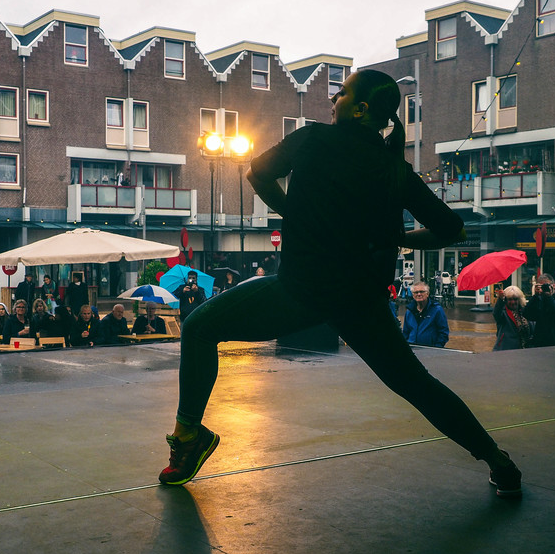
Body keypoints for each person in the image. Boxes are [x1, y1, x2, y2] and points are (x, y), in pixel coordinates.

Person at [157, 69, 521, 497]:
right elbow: (452, 230)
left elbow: (258, 173)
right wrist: (398, 237)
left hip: (299, 291)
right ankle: (498, 460)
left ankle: (188, 439)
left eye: (342, 93)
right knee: (417, 385)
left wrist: (295, 213)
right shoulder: (393, 169)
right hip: (361, 304)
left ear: (361, 108)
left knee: (200, 328)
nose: (334, 98)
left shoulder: (312, 140)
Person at [524, 273, 555, 348]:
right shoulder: (538, 299)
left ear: (553, 285)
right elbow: (527, 314)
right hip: (540, 342)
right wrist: (535, 296)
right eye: (541, 286)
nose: (543, 289)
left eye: (545, 286)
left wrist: (549, 298)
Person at [402, 281, 449, 348]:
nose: (419, 294)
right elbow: (406, 332)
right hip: (412, 348)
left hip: (430, 350)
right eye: (416, 292)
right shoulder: (409, 311)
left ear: (427, 294)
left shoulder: (436, 310)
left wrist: (437, 348)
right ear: (413, 295)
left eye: (421, 292)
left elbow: (443, 332)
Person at [493, 285, 532, 351]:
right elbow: (496, 313)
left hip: (525, 350)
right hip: (506, 351)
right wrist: (500, 300)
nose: (513, 302)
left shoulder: (525, 311)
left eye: (515, 299)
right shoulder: (503, 313)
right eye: (510, 299)